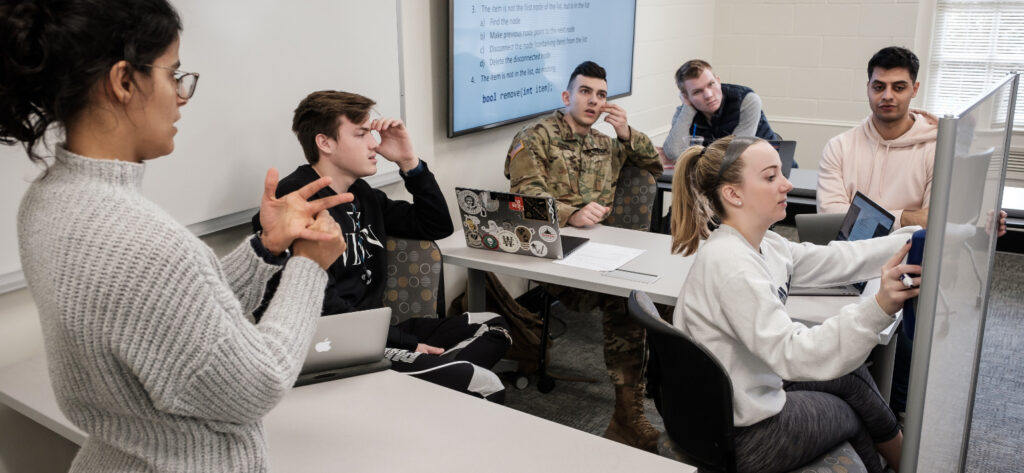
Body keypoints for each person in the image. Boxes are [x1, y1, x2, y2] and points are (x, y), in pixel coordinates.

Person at [0, 1, 351, 471]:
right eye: (174, 74)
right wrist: (309, 265)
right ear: (124, 81)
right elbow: (257, 384)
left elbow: (170, 321)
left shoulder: (46, 200)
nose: (183, 95)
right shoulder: (143, 241)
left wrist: (265, 250)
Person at [670, 135, 919, 473]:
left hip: (741, 396)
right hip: (744, 435)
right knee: (851, 412)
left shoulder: (763, 243)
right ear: (733, 194)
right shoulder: (732, 266)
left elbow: (836, 259)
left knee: (851, 378)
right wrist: (879, 307)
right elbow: (795, 355)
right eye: (771, 177)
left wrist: (915, 240)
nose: (787, 184)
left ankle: (905, 463)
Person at [253, 90, 512, 403]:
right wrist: (406, 344)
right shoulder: (296, 202)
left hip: (379, 331)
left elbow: (436, 226)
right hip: (336, 346)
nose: (374, 144)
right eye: (361, 134)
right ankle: (433, 378)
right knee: (484, 383)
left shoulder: (360, 193)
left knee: (495, 327)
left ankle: (429, 379)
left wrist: (409, 163)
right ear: (325, 143)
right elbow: (322, 305)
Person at [504, 61, 664, 451]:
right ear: (567, 96)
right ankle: (629, 416)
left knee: (661, 294)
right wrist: (570, 214)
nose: (594, 101)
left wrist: (626, 132)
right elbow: (524, 197)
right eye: (586, 92)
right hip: (552, 252)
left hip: (600, 250)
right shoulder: (536, 136)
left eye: (601, 95)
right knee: (627, 302)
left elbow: (654, 166)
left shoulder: (606, 143)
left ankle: (649, 400)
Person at [817, 47, 935, 229]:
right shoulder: (839, 147)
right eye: (879, 87)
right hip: (851, 254)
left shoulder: (935, 148)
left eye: (899, 88)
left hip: (910, 255)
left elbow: (932, 221)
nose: (887, 96)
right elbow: (830, 217)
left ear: (915, 89)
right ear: (868, 88)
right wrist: (905, 218)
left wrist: (862, 218)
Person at [662, 59, 781, 161]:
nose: (708, 95)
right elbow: (673, 153)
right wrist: (688, 108)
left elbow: (735, 153)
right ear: (686, 97)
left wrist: (695, 156)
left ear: (718, 81)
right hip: (724, 177)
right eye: (697, 91)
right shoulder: (685, 110)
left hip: (775, 170)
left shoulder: (747, 100)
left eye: (711, 84)